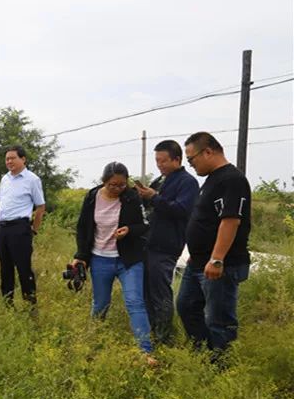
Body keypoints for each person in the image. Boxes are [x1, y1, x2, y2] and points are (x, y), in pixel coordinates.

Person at [72, 162, 156, 362]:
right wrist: (81, 256)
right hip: (100, 258)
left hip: (129, 259)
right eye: (113, 185)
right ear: (104, 182)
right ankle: (92, 344)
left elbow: (145, 225)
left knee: (135, 302)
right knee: (101, 304)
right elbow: (83, 227)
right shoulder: (92, 197)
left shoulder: (132, 197)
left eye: (121, 185)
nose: (117, 189)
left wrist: (129, 230)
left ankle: (146, 352)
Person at [176, 132, 251, 354]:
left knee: (218, 319)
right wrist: (198, 253)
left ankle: (220, 365)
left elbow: (230, 221)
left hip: (220, 264)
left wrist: (217, 258)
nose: (191, 165)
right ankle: (203, 354)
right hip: (199, 262)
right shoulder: (212, 180)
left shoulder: (232, 180)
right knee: (187, 306)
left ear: (208, 151)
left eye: (191, 159)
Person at [134, 140, 199, 345]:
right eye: (157, 161)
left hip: (166, 245)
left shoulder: (187, 182)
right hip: (149, 243)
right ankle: (151, 332)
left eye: (163, 161)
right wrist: (144, 196)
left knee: (160, 293)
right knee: (146, 291)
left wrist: (154, 197)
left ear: (177, 159)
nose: (159, 165)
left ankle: (164, 338)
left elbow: (181, 210)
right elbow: (152, 207)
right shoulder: (161, 179)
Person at [0, 145, 45, 309]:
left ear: (23, 159)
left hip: (20, 228)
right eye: (7, 159)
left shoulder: (32, 179)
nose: (9, 161)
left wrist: (34, 229)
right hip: (3, 228)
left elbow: (40, 206)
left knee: (23, 268)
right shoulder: (5, 179)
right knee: (5, 268)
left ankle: (30, 306)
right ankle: (7, 306)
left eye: (12, 158)